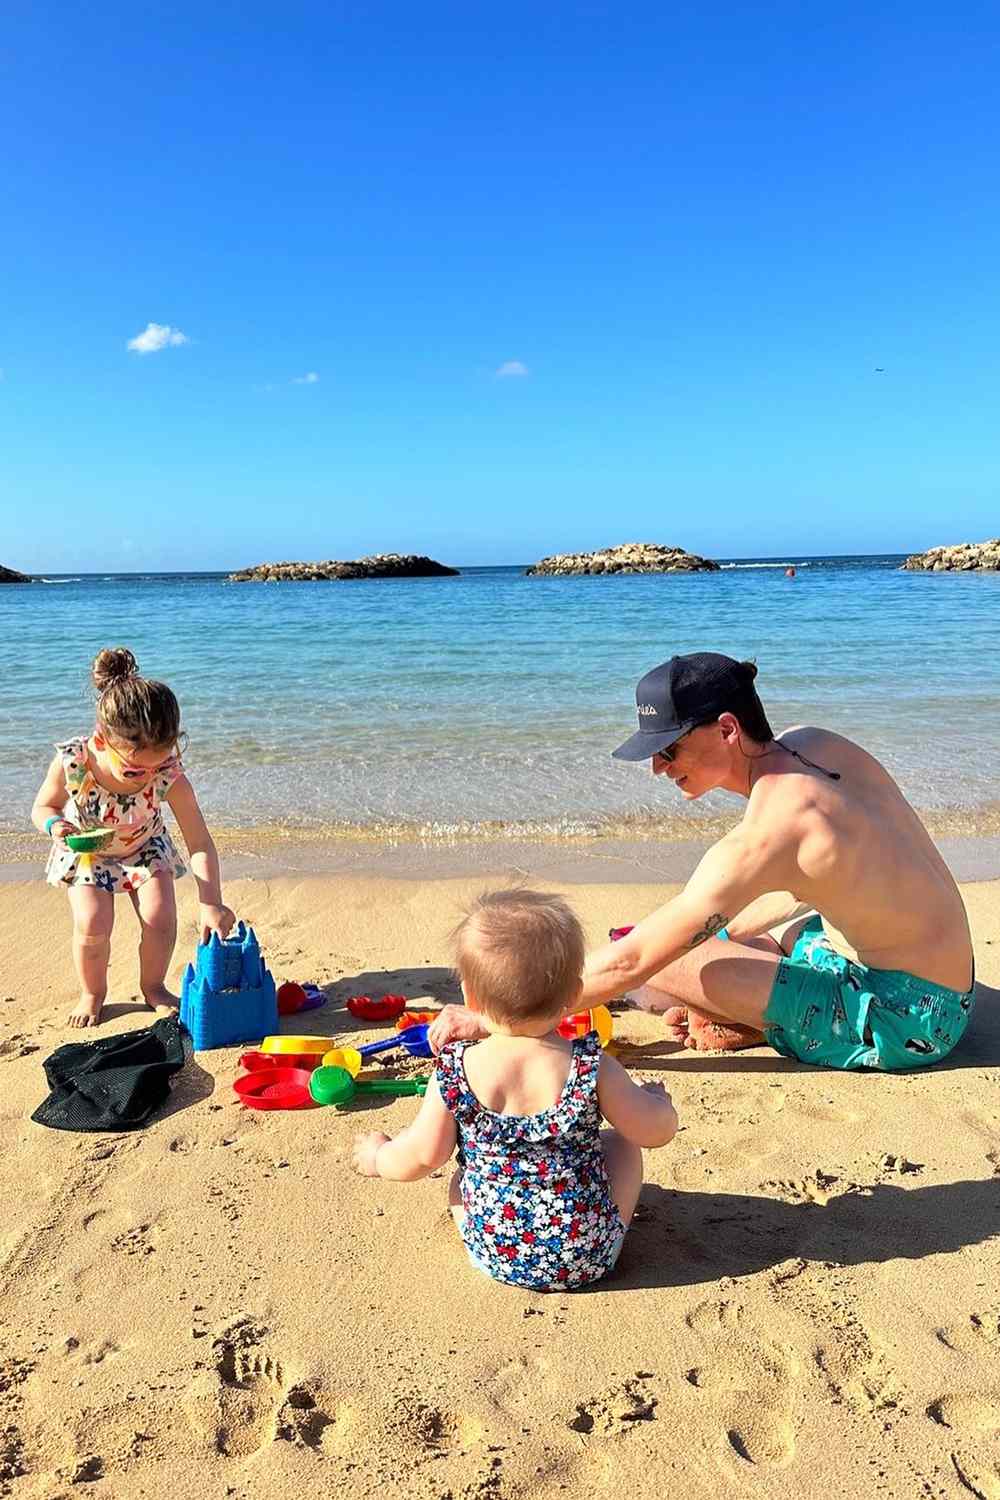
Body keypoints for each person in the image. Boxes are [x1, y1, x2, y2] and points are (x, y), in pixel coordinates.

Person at [429, 653, 975, 1073]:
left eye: (669, 749)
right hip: (938, 977)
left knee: (663, 964)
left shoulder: (767, 834)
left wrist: (490, 1017)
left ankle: (754, 1019)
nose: (658, 768)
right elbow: (829, 877)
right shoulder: (816, 744)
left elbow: (634, 959)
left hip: (904, 1019)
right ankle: (746, 1007)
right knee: (706, 941)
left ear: (727, 729)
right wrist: (729, 933)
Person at [352, 889, 678, 1291]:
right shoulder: (591, 1067)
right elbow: (655, 1131)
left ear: (469, 998)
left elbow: (421, 1156)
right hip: (588, 1256)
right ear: (575, 995)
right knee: (623, 1146)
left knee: (460, 1181)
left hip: (498, 1253)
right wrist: (658, 1103)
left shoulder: (454, 1071)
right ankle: (597, 1238)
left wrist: (378, 1155)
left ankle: (498, 1243)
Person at [31, 646, 236, 1028]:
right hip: (89, 850)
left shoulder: (166, 774)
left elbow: (200, 843)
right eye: (134, 771)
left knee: (160, 918)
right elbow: (42, 807)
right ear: (101, 741)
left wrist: (212, 902)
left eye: (158, 764)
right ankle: (92, 993)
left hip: (146, 846)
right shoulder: (74, 762)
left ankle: (153, 986)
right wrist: (55, 826)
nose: (147, 776)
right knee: (92, 924)